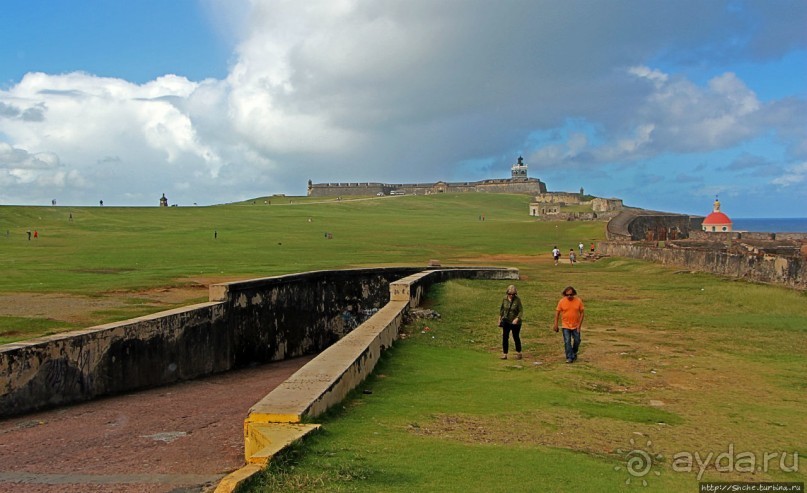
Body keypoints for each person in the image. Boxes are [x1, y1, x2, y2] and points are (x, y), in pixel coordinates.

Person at [553, 286, 584, 363]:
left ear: (574, 294)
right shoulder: (562, 301)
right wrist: (556, 324)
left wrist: (579, 325)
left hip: (575, 325)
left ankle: (574, 352)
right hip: (565, 325)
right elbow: (557, 313)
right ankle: (569, 357)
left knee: (577, 340)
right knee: (567, 341)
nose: (569, 296)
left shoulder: (578, 301)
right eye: (567, 295)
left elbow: (582, 313)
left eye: (571, 294)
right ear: (565, 295)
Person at [498, 285, 524, 360]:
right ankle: (505, 354)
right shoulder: (504, 299)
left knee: (515, 336)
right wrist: (499, 319)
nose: (511, 296)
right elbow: (502, 309)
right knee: (505, 337)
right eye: (510, 294)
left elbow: (521, 311)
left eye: (513, 294)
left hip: (515, 322)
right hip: (506, 320)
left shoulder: (517, 300)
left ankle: (519, 352)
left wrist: (517, 318)